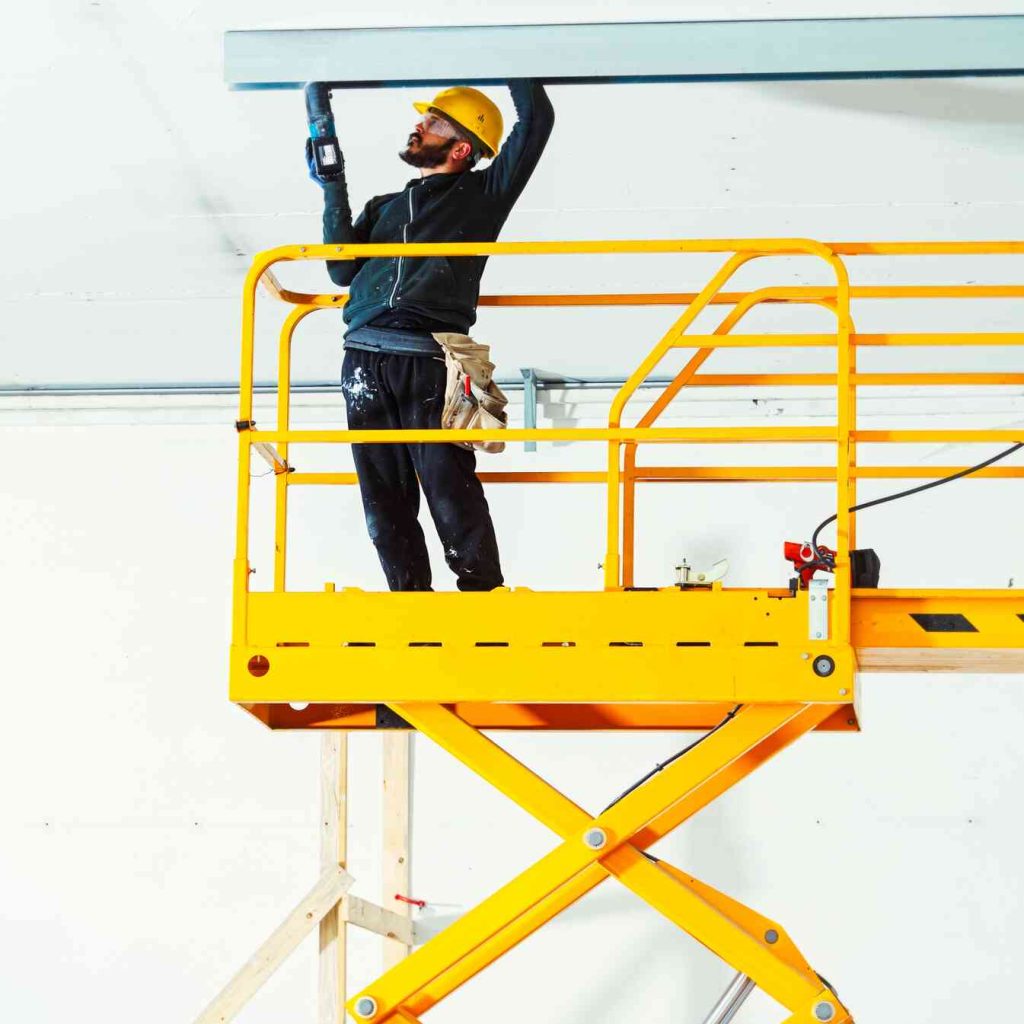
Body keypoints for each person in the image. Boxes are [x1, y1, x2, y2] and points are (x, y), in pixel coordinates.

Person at [307, 80, 554, 592]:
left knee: (446, 480)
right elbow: (338, 270)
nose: (419, 126)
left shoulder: (483, 195)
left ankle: (481, 592)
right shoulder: (384, 207)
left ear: (463, 149)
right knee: (382, 493)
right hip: (362, 360)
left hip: (426, 357)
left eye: (435, 122)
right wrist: (333, 184)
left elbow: (537, 123)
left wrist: (510, 48)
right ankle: (409, 600)